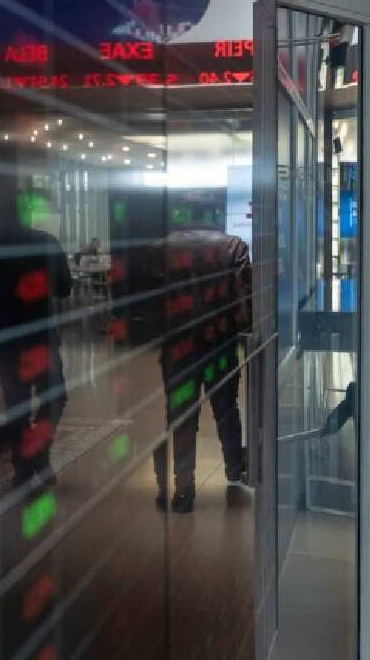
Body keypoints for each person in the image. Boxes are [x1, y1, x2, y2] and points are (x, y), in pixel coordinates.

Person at [152, 206, 252, 513]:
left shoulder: (162, 248)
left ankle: (184, 490)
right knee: (226, 409)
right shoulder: (233, 246)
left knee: (182, 415)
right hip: (219, 344)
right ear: (215, 217)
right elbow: (244, 301)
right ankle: (234, 470)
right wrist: (243, 334)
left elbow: (151, 302)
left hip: (178, 348)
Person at [0, 201, 73, 488]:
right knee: (54, 397)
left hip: (6, 341)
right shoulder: (46, 243)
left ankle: (23, 467)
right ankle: (39, 455)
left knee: (16, 406)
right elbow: (64, 288)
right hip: (40, 338)